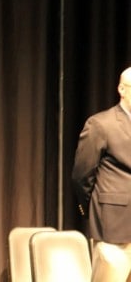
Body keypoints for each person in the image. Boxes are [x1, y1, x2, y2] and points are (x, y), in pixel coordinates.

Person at [72, 67, 131, 282]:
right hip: (113, 226)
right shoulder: (100, 124)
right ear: (121, 89)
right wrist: (93, 208)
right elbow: (82, 175)